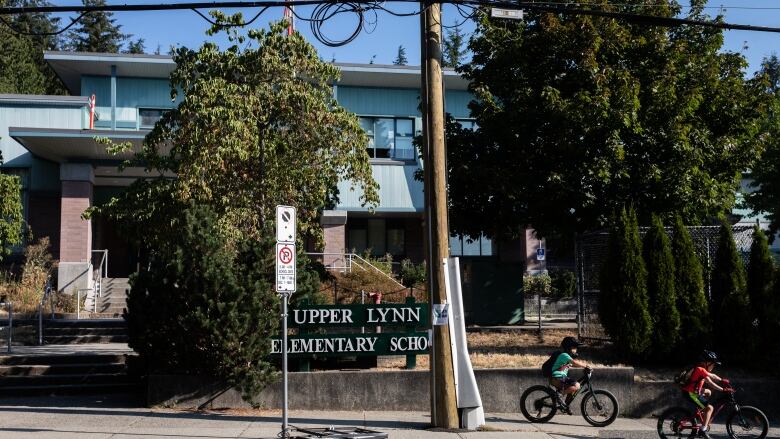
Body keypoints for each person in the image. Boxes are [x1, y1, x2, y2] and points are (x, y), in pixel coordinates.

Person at [681, 350, 726, 438]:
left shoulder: (702, 370)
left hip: (694, 391)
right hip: (691, 393)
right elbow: (712, 379)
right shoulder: (700, 369)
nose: (713, 366)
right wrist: (723, 388)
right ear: (707, 362)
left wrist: (722, 384)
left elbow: (710, 380)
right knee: (710, 408)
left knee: (708, 392)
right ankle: (703, 430)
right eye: (713, 364)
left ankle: (701, 411)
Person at [550, 336, 590, 412]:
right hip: (558, 377)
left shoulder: (566, 358)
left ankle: (566, 405)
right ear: (569, 348)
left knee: (572, 388)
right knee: (577, 385)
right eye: (574, 347)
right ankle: (560, 394)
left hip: (559, 377)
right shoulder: (564, 355)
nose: (576, 350)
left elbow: (574, 365)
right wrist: (586, 366)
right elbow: (574, 362)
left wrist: (584, 368)